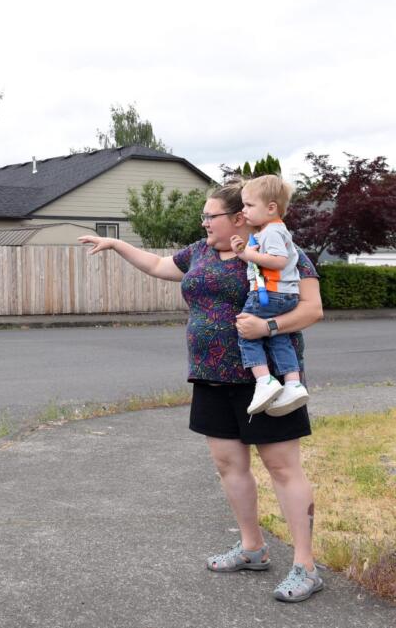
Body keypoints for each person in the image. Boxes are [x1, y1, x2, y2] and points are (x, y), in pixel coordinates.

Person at [78, 182, 325, 603]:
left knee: (282, 468)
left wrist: (267, 327)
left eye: (211, 216)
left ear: (239, 218)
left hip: (263, 382)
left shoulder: (281, 251)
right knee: (229, 464)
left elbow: (311, 309)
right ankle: (252, 549)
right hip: (210, 375)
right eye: (204, 216)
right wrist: (116, 244)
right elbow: (158, 265)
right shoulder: (201, 251)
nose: (204, 222)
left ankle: (306, 566)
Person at [230, 175, 309, 417]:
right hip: (284, 295)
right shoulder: (272, 231)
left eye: (249, 205)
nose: (244, 211)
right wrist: (245, 251)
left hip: (269, 293)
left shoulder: (272, 231)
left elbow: (277, 261)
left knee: (246, 331)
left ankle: (264, 381)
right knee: (279, 339)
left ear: (271, 207)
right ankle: (293, 383)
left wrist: (248, 256)